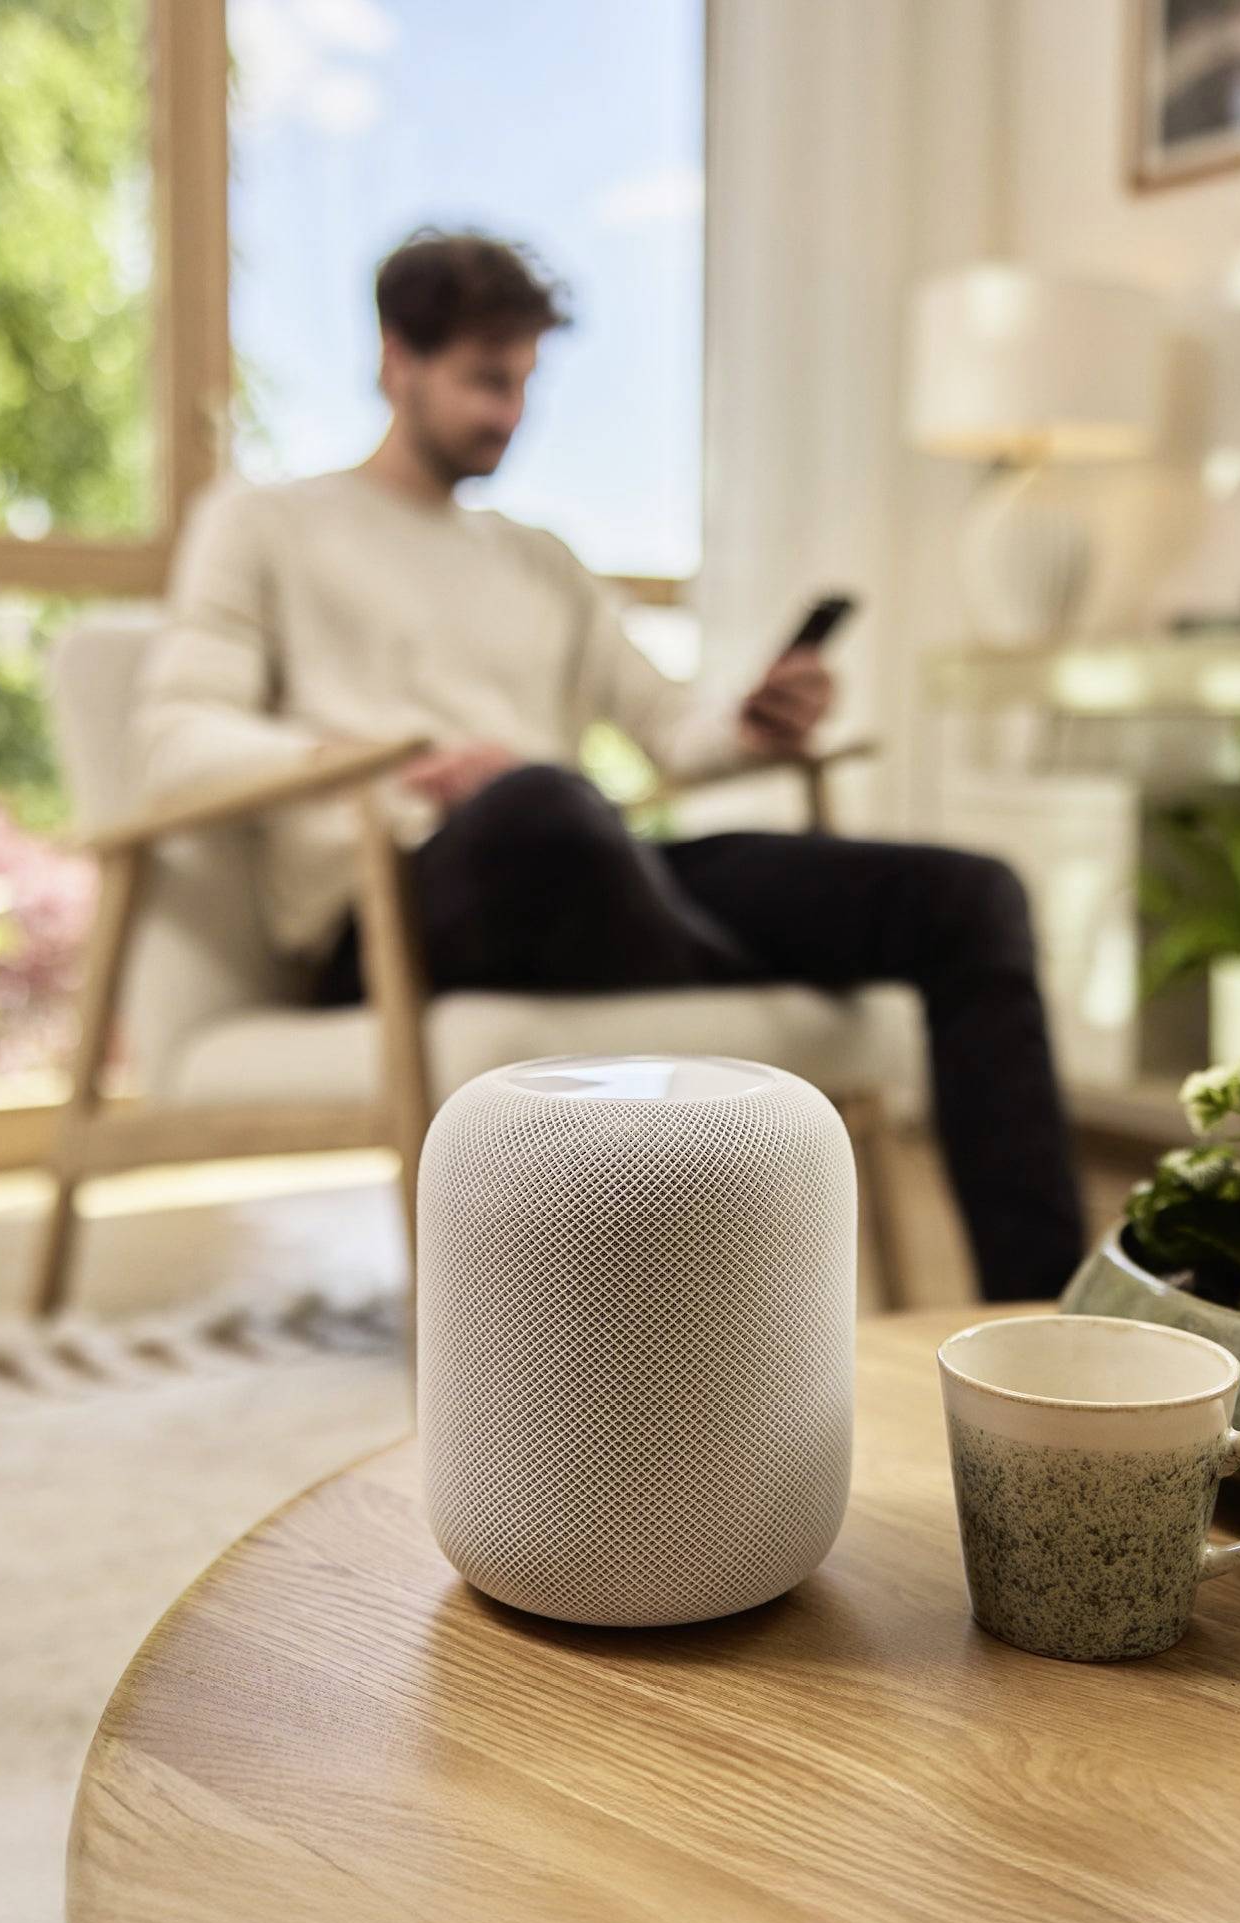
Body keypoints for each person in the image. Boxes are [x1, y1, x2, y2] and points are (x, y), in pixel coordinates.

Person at [135, 229, 1082, 1299]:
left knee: (968, 895)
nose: (509, 413)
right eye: (485, 379)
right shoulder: (265, 524)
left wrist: (755, 725)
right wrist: (386, 761)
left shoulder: (539, 561)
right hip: (404, 907)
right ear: (396, 358)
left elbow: (672, 732)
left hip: (596, 879)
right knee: (540, 804)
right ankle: (745, 958)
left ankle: (1044, 1315)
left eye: (526, 382)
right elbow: (174, 745)